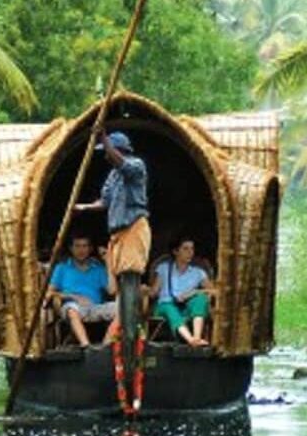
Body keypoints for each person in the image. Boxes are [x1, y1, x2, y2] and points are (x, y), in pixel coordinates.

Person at [73, 128, 151, 332]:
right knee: (119, 276)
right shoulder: (113, 175)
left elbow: (123, 164)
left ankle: (129, 330)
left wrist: (104, 139)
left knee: (130, 273)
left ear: (117, 150)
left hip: (133, 226)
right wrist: (86, 207)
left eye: (107, 151)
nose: (105, 155)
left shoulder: (136, 165)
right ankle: (123, 325)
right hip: (117, 231)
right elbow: (105, 201)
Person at [47, 234, 115, 349]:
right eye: (77, 246)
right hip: (72, 307)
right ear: (71, 248)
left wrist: (108, 262)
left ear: (90, 249)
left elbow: (112, 291)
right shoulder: (62, 268)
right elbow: (48, 293)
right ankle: (86, 346)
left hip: (95, 307)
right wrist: (74, 297)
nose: (81, 250)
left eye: (84, 246)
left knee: (123, 308)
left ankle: (106, 346)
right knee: (72, 309)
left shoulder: (98, 269)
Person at [150, 237, 212, 347]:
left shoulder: (198, 272)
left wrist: (195, 292)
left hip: (185, 308)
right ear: (175, 252)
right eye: (185, 249)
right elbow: (154, 292)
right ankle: (191, 340)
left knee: (201, 298)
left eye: (192, 249)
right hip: (164, 307)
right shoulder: (163, 268)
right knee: (169, 308)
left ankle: (197, 337)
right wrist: (143, 290)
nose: (190, 253)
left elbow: (214, 290)